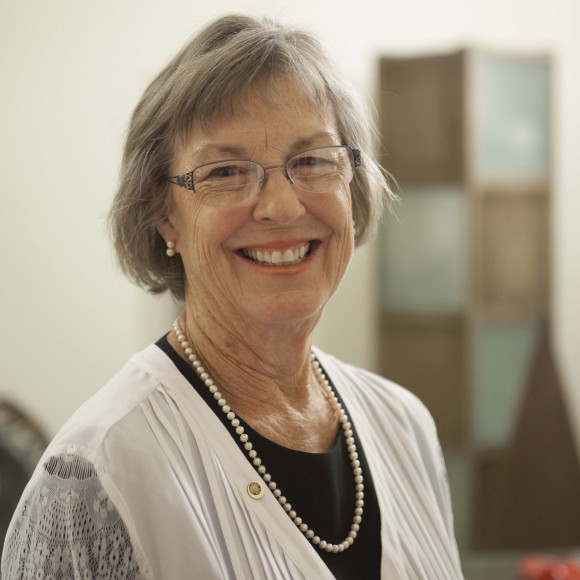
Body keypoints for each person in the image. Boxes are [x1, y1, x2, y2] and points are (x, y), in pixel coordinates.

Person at [1, 14, 463, 580]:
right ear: (162, 214)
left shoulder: (403, 425)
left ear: (352, 182)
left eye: (312, 161)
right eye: (225, 172)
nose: (282, 207)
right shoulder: (100, 473)